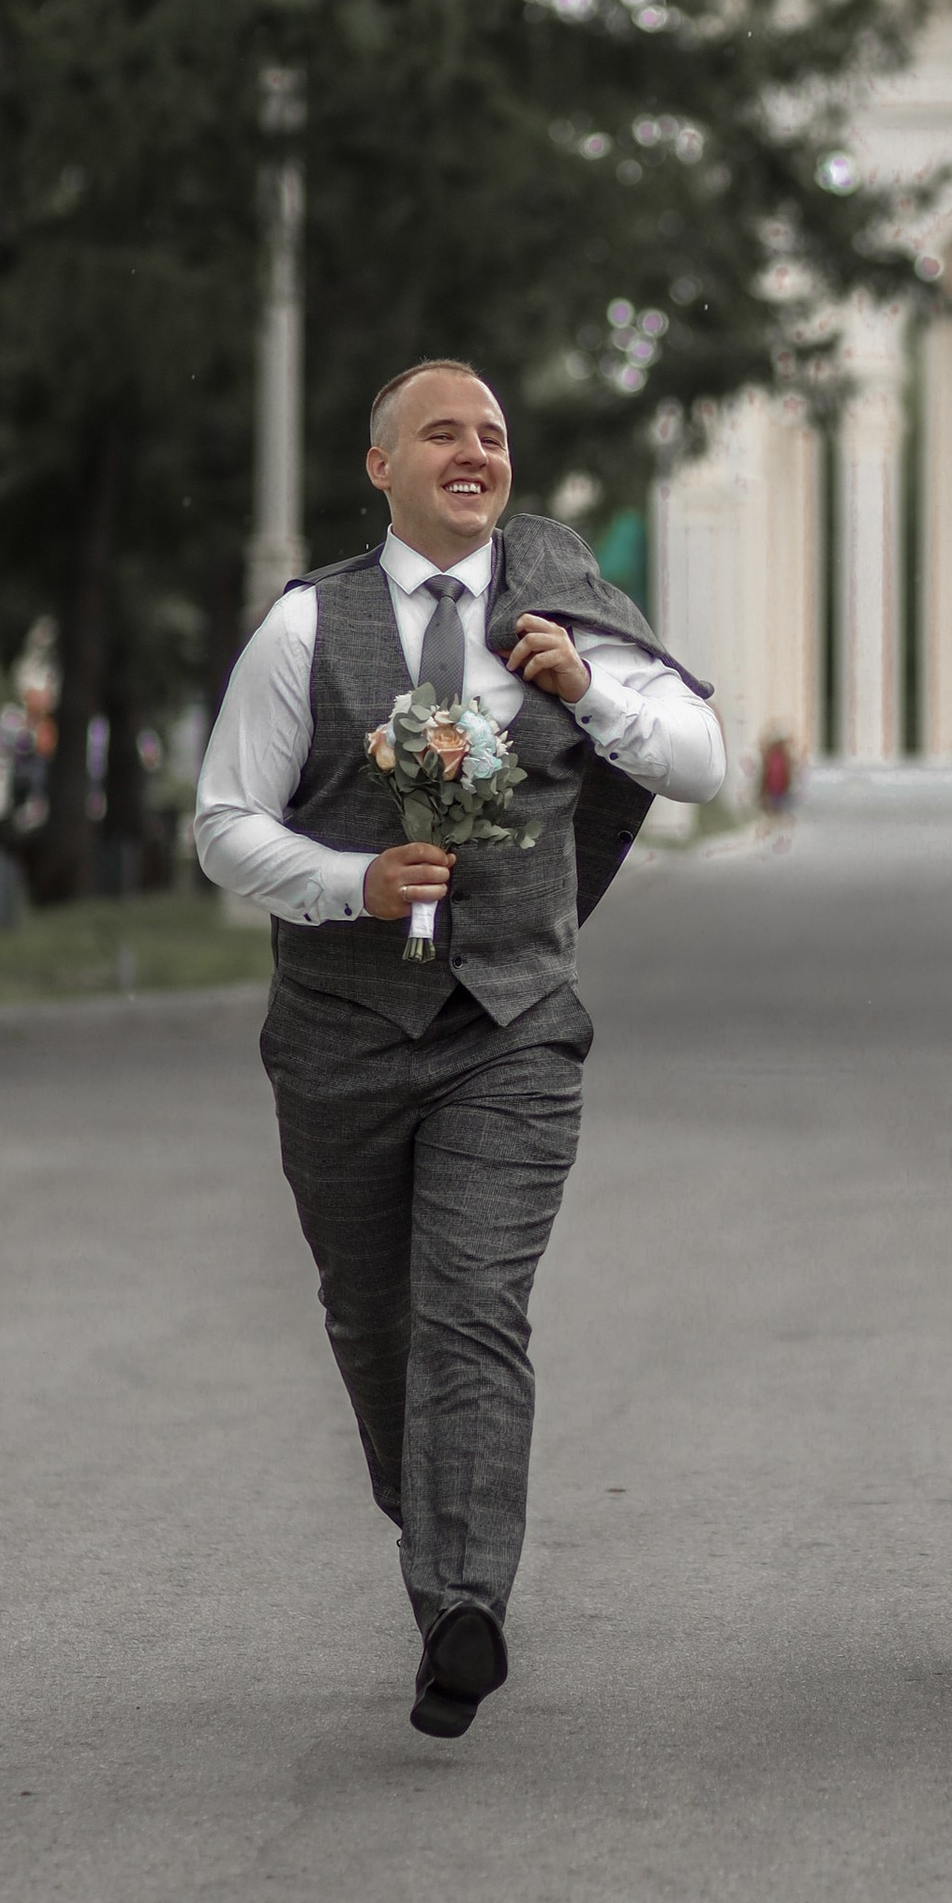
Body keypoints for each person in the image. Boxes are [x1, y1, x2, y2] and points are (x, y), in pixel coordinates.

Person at [195, 360, 727, 1742]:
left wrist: (587, 695)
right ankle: (438, 1539)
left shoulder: (563, 614)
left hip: (514, 1025)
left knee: (473, 1308)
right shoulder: (307, 627)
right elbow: (223, 823)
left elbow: (699, 759)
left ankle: (464, 1605)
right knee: (377, 1326)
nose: (473, 451)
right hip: (339, 1029)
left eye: (492, 433)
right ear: (383, 468)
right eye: (442, 433)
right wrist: (351, 885)